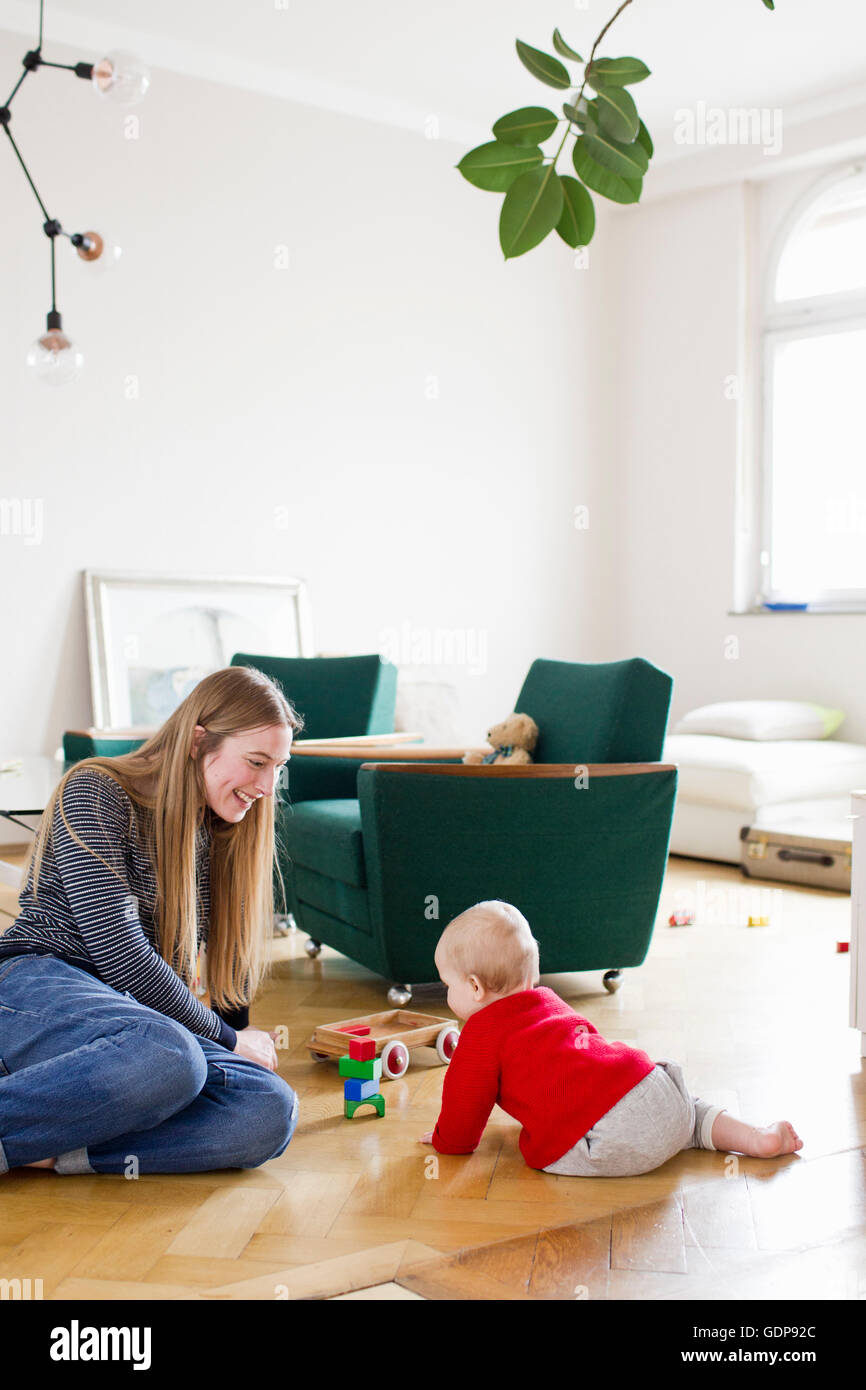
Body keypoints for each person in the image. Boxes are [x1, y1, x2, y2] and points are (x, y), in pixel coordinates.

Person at [0, 665, 303, 1177]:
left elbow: (228, 969)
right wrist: (227, 1042)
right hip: (35, 984)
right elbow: (121, 954)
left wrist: (237, 1043)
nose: (268, 786)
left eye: (278, 766)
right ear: (197, 741)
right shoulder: (97, 790)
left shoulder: (221, 826)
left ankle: (49, 1148)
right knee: (168, 1055)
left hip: (134, 1027)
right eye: (256, 762)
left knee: (268, 1108)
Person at [419, 900, 802, 1175]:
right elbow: (585, 1055)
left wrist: (447, 1143)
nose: (445, 992)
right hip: (652, 1088)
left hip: (609, 1138)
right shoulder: (549, 1002)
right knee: (691, 1110)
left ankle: (669, 1139)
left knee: (543, 1153)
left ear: (474, 987)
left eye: (446, 984)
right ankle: (753, 1138)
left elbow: (464, 1108)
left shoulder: (480, 1036)